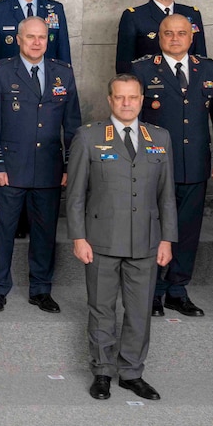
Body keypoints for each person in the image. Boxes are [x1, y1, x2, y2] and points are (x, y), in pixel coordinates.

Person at [65, 74, 177, 401]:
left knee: (140, 310)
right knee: (102, 309)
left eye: (133, 97)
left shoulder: (160, 138)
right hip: (100, 240)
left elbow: (167, 195)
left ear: (142, 99)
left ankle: (131, 372)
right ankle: (102, 370)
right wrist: (78, 237)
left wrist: (167, 239)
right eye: (120, 98)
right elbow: (75, 196)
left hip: (146, 240)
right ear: (110, 100)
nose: (126, 103)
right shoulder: (89, 138)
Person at [131, 13, 213, 317]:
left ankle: (178, 289)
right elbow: (131, 120)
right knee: (154, 229)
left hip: (195, 165)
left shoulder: (209, 68)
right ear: (159, 37)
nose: (175, 38)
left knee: (188, 231)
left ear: (191, 37)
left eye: (181, 33)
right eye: (168, 33)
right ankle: (154, 291)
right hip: (156, 167)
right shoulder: (142, 69)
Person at [0, 17, 82, 314]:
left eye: (42, 37)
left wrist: (68, 167)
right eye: (30, 37)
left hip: (49, 170)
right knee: (3, 232)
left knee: (44, 233)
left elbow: (72, 125)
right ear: (19, 39)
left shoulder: (63, 73)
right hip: (10, 169)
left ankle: (41, 289)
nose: (37, 42)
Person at [114, 0, 207, 73]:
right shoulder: (134, 16)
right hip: (151, 85)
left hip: (188, 84)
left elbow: (201, 58)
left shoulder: (192, 14)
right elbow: (124, 64)